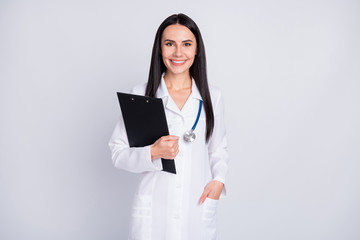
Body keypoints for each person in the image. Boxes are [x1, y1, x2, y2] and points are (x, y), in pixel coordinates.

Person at [109, 13, 229, 240]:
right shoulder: (141, 94)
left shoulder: (212, 96)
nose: (178, 53)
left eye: (186, 44)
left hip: (196, 209)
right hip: (154, 213)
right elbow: (117, 152)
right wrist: (153, 152)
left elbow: (218, 148)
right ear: (160, 49)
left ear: (197, 50)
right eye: (169, 44)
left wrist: (218, 180)